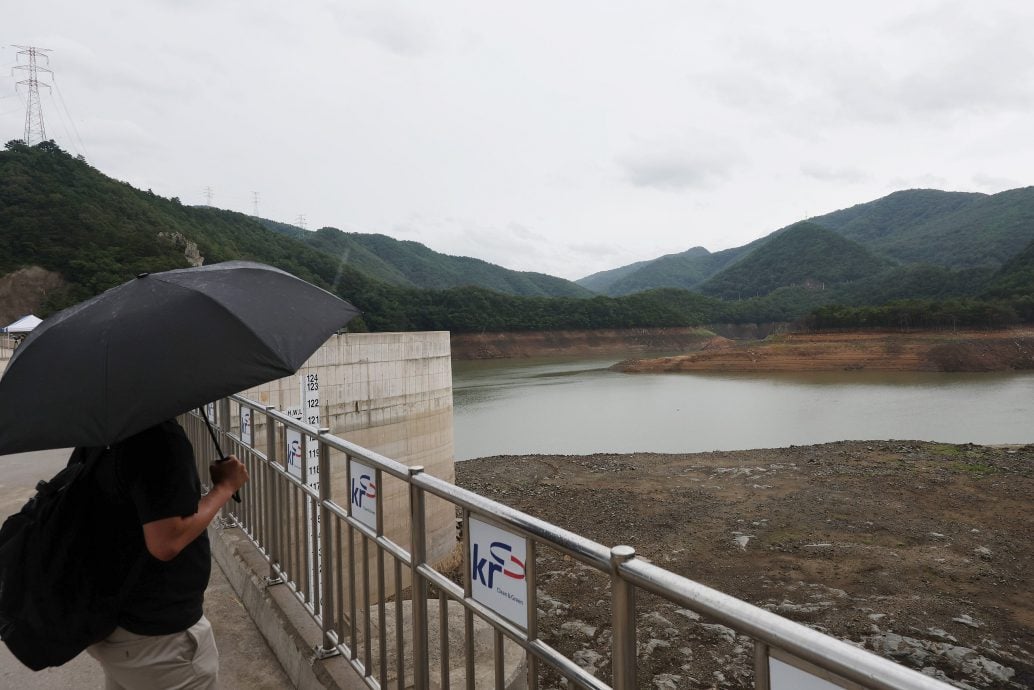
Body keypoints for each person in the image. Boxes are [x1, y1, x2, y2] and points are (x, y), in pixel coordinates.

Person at [86, 418, 249, 690]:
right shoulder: (158, 437)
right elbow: (166, 541)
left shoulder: (101, 435)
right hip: (161, 639)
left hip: (115, 624)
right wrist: (225, 488)